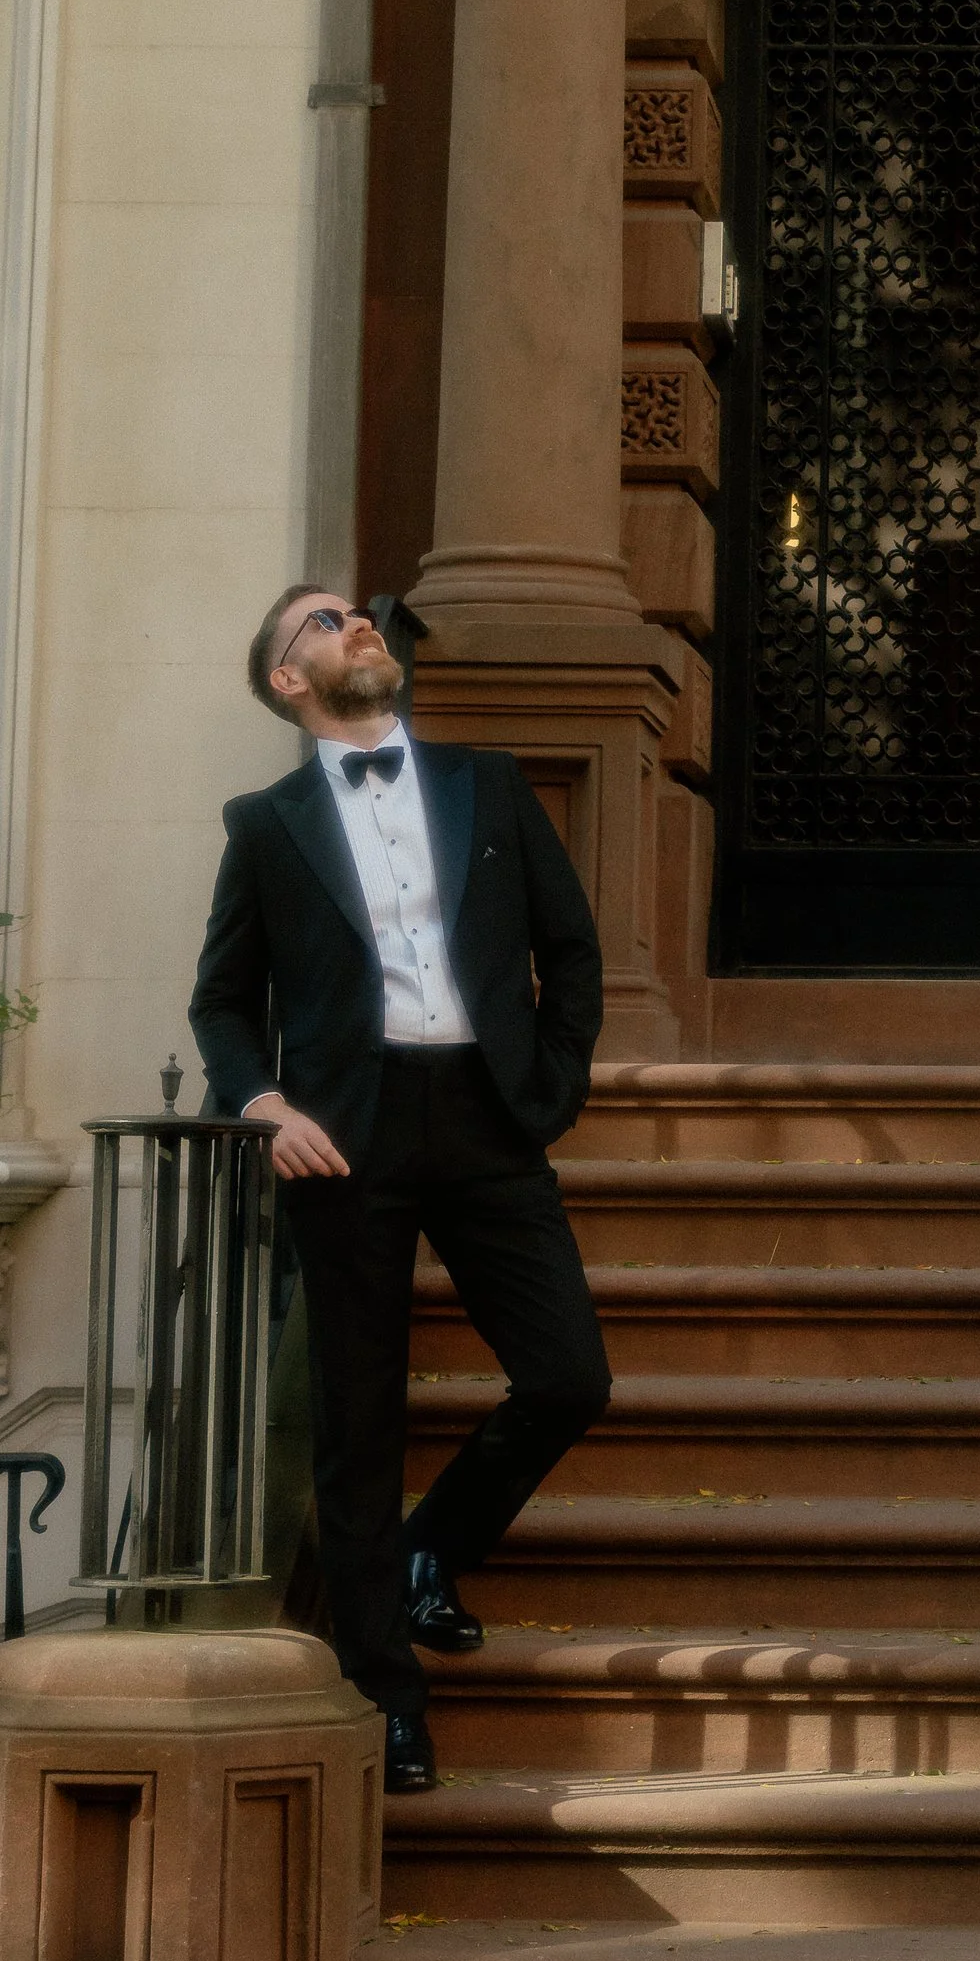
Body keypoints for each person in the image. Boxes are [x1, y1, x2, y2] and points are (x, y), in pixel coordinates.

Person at [189, 587, 611, 1788]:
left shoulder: (487, 779)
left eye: (360, 613)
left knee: (570, 1373)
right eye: (324, 621)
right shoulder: (265, 824)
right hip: (345, 1137)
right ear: (288, 678)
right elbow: (221, 1000)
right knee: (358, 1428)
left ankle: (436, 1548)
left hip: (487, 1115)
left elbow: (570, 947)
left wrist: (554, 1085)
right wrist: (263, 1106)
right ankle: (386, 1698)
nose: (356, 623)